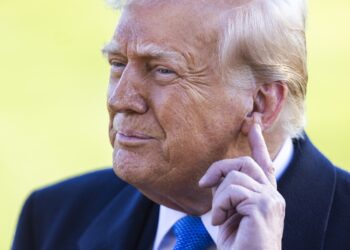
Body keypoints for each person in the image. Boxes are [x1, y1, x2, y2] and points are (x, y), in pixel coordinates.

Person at [12, 0, 350, 249]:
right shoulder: (52, 220)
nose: (121, 99)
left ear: (260, 103)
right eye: (117, 63)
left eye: (162, 70)